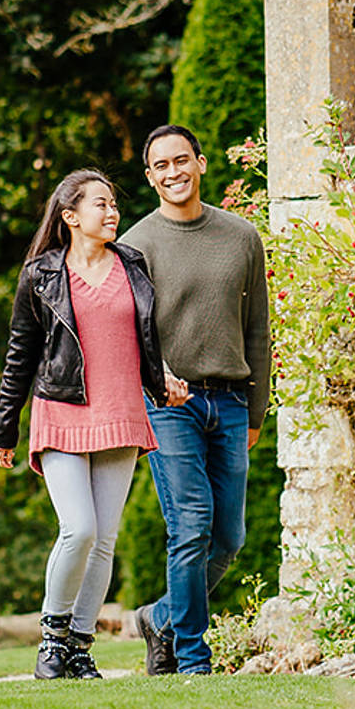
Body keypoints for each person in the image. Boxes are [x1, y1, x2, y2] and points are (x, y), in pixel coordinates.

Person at [0, 169, 187, 679]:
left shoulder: (133, 265)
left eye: (114, 203)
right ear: (70, 216)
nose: (112, 211)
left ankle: (79, 646)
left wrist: (161, 380)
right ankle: (51, 641)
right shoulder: (42, 275)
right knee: (78, 529)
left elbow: (145, 339)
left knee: (104, 540)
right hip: (62, 411)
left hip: (121, 413)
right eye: (101, 204)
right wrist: (3, 427)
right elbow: (20, 354)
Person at [119, 124, 271, 677]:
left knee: (228, 538)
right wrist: (155, 381)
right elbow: (126, 334)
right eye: (161, 166)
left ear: (201, 163)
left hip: (230, 402)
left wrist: (256, 409)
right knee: (190, 525)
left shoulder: (242, 236)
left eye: (181, 160)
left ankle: (160, 617)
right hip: (169, 405)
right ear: (149, 177)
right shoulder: (136, 245)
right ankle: (191, 659)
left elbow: (258, 328)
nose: (173, 173)